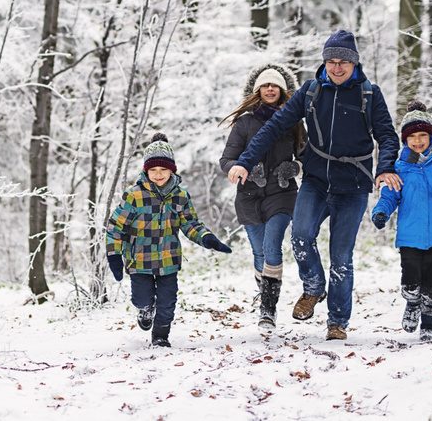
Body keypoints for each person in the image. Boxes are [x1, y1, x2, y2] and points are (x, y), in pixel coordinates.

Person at [227, 30, 401, 341]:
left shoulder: (369, 94)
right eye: (331, 61)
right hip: (317, 180)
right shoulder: (310, 92)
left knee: (341, 254)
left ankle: (336, 321)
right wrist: (244, 160)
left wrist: (385, 167)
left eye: (343, 63)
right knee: (301, 235)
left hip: (353, 184)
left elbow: (387, 135)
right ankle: (313, 287)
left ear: (354, 64)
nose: (336, 68)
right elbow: (273, 127)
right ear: (324, 62)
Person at [107, 133, 233, 347]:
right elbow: (116, 226)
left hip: (168, 260)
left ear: (172, 170)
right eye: (153, 170)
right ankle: (145, 310)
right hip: (139, 261)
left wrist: (207, 238)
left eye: (163, 170)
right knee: (141, 298)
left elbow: (190, 223)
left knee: (167, 303)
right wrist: (114, 255)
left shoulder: (180, 196)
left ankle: (160, 336)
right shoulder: (134, 195)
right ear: (146, 170)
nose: (158, 175)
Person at [370, 100, 432, 342]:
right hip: (410, 236)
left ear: (431, 136)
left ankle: (429, 325)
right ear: (405, 140)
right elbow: (389, 196)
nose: (417, 141)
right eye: (412, 136)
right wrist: (381, 212)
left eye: (423, 135)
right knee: (411, 283)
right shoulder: (399, 168)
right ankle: (412, 303)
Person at [219, 64, 304, 331]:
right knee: (258, 252)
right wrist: (239, 168)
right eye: (265, 85)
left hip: (281, 192)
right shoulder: (244, 123)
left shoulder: (293, 122)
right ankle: (267, 292)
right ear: (257, 91)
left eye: (275, 86)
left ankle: (267, 309)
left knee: (271, 246)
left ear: (281, 91)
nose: (270, 89)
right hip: (249, 195)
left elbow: (306, 156)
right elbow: (227, 159)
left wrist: (295, 168)